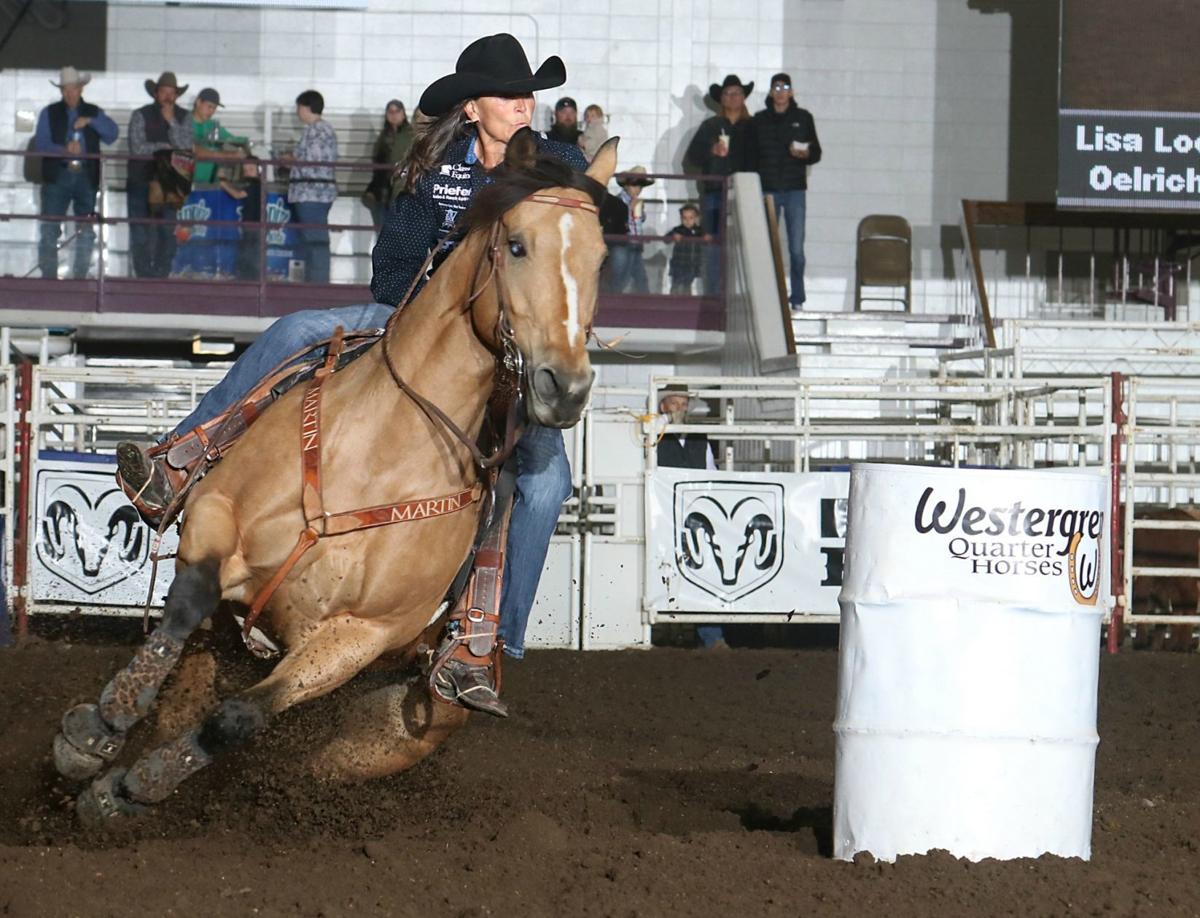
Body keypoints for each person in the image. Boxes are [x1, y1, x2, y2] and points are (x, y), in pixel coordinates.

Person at [117, 32, 590, 718]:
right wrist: (412, 319)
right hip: (418, 322)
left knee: (546, 483)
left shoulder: (556, 161)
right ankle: (183, 460)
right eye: (509, 93)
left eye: (527, 93)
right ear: (471, 107)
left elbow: (596, 222)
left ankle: (481, 642)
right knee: (296, 330)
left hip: (509, 350)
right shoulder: (439, 167)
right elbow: (396, 259)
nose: (524, 104)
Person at [654, 384, 724, 649]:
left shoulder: (698, 438)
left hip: (693, 515)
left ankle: (711, 636)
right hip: (661, 515)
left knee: (702, 569)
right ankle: (662, 631)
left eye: (683, 404)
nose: (680, 409)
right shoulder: (653, 432)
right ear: (663, 407)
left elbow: (711, 474)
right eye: (674, 403)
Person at [33, 66, 119, 280]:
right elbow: (41, 144)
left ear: (81, 89)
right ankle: (49, 278)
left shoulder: (93, 112)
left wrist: (91, 121)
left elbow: (112, 134)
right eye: (67, 90)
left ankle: (79, 277)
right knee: (50, 229)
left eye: (74, 89)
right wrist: (64, 150)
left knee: (86, 230)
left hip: (85, 175)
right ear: (62, 91)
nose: (70, 94)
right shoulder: (49, 112)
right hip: (59, 174)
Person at [753, 72, 821, 311]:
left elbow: (817, 153)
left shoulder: (803, 118)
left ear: (792, 92)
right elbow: (750, 156)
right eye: (777, 87)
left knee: (796, 248)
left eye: (785, 87)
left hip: (794, 190)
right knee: (766, 247)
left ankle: (798, 297)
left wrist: (806, 155)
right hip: (767, 189)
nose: (781, 91)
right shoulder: (759, 120)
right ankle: (767, 296)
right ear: (771, 92)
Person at [683, 74, 756, 294]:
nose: (732, 97)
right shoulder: (710, 126)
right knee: (714, 245)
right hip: (714, 194)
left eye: (737, 93)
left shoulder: (754, 127)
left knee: (745, 245)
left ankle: (742, 293)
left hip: (746, 196)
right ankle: (715, 293)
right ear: (721, 99)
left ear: (743, 97)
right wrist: (711, 151)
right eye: (727, 93)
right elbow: (691, 158)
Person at [128, 72, 192, 278]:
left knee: (167, 232)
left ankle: (161, 274)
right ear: (156, 93)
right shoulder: (140, 114)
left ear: (176, 95)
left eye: (171, 93)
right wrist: (164, 147)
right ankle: (144, 274)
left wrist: (171, 123)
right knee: (140, 233)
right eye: (164, 92)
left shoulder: (184, 117)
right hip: (142, 179)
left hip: (171, 183)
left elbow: (186, 147)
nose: (167, 96)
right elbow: (137, 148)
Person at [284, 89, 338, 283]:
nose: (297, 112)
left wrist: (290, 160)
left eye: (299, 107)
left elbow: (312, 163)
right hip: (316, 193)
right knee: (314, 241)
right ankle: (317, 282)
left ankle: (318, 284)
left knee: (316, 242)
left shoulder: (316, 130)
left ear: (306, 107)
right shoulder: (322, 129)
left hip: (311, 194)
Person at [363, 99, 414, 228]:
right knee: (382, 229)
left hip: (402, 188)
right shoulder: (383, 135)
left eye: (397, 111)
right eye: (390, 111)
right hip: (382, 189)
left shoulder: (410, 134)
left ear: (403, 113)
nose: (394, 114)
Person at [608, 166, 653, 294]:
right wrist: (630, 208)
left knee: (641, 278)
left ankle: (646, 305)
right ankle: (614, 304)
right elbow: (616, 221)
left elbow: (639, 220)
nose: (637, 190)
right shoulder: (617, 201)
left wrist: (638, 210)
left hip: (635, 244)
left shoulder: (636, 202)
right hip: (621, 244)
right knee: (620, 276)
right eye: (634, 185)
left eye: (639, 186)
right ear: (626, 186)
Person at [190, 88, 248, 186]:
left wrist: (247, 143)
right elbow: (193, 150)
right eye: (209, 107)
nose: (212, 111)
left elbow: (233, 139)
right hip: (188, 183)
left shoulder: (213, 126)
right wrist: (230, 155)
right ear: (198, 102)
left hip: (211, 184)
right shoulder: (183, 124)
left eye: (214, 108)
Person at [221, 157, 263, 280]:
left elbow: (237, 194)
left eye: (250, 169)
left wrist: (223, 183)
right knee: (249, 252)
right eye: (245, 169)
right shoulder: (256, 184)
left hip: (254, 224)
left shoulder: (255, 185)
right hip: (254, 224)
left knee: (248, 253)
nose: (247, 172)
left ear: (259, 170)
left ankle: (248, 278)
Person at [666, 203, 706, 295]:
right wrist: (673, 235)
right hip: (678, 263)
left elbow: (707, 241)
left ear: (696, 218)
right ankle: (671, 304)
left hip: (692, 264)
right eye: (685, 218)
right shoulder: (678, 230)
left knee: (687, 286)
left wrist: (707, 238)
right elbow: (666, 240)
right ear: (681, 218)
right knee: (675, 285)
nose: (688, 221)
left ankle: (686, 305)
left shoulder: (699, 231)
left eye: (691, 218)